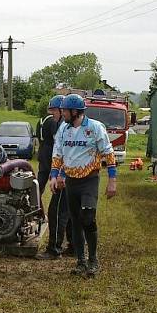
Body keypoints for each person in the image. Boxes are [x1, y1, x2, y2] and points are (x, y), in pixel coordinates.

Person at [49, 93, 117, 277]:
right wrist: (55, 176)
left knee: (88, 218)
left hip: (89, 178)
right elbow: (58, 154)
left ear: (75, 111)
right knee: (75, 221)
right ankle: (80, 261)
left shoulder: (95, 127)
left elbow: (108, 154)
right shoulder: (63, 128)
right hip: (71, 180)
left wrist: (112, 180)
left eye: (64, 110)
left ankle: (93, 260)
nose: (61, 113)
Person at [36, 95, 73, 260]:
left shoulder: (65, 129)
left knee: (56, 212)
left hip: (65, 177)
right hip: (68, 176)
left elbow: (65, 155)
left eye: (56, 111)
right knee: (70, 212)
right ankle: (74, 246)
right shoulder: (64, 127)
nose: (53, 114)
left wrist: (59, 175)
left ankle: (54, 249)